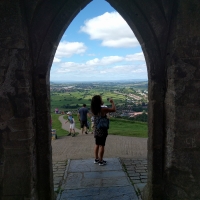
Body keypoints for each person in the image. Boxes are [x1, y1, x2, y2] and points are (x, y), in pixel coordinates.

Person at [91, 95, 116, 166]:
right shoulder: (103, 109)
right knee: (102, 145)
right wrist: (112, 102)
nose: (102, 100)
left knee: (97, 144)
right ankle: (101, 161)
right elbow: (114, 109)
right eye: (101, 99)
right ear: (99, 101)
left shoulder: (93, 109)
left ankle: (96, 159)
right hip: (102, 129)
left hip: (96, 129)